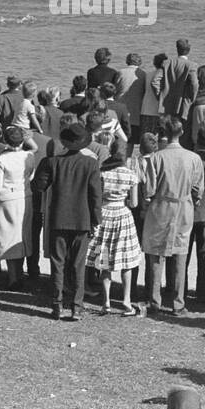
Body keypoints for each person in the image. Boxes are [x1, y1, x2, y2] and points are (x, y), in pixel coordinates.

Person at [32, 122, 102, 320]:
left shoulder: (52, 162)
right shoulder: (90, 164)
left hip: (58, 217)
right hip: (82, 219)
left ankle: (57, 303)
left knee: (58, 262)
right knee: (78, 264)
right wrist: (96, 219)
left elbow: (38, 187)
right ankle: (76, 306)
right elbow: (96, 195)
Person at [140, 118, 204, 317]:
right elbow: (198, 189)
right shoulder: (194, 158)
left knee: (156, 254)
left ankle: (155, 300)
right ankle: (178, 302)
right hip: (184, 206)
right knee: (180, 255)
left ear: (164, 133)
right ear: (182, 132)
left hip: (161, 205)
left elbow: (149, 189)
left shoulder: (157, 157)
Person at [85, 135, 142, 315]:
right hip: (122, 215)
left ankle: (106, 301)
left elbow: (97, 196)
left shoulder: (102, 173)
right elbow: (133, 203)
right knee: (126, 259)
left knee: (105, 258)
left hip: (105, 213)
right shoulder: (131, 175)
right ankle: (126, 301)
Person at [0, 125, 36, 291]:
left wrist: (3, 190)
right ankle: (20, 273)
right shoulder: (29, 156)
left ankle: (12, 277)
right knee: (21, 236)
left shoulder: (1, 159)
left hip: (7, 199)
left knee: (8, 236)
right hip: (24, 197)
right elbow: (31, 176)